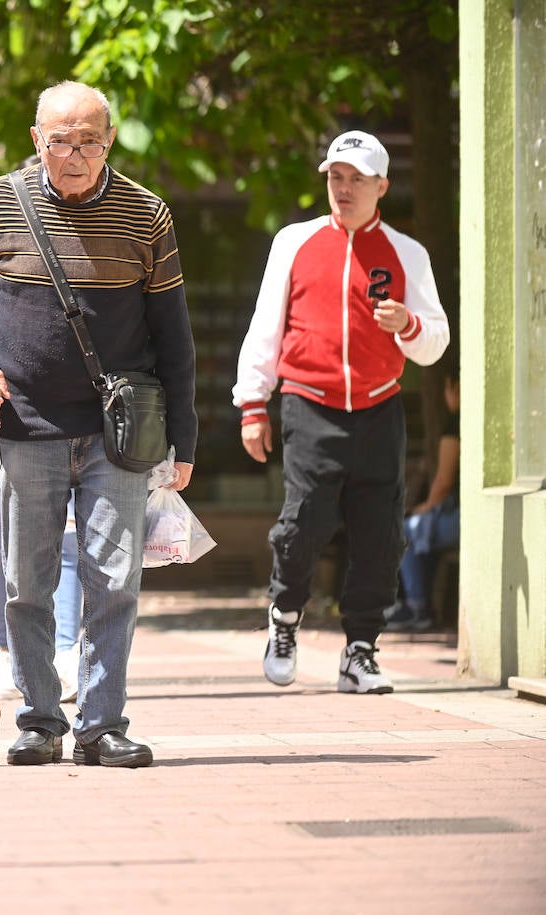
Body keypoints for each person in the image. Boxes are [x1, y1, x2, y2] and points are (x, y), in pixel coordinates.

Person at [0, 81, 197, 769]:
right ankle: (41, 718)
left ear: (109, 142)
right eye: (60, 141)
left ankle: (103, 723)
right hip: (26, 425)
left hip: (121, 435)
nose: (74, 155)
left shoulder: (147, 215)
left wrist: (186, 440)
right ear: (36, 139)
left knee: (115, 579)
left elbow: (175, 338)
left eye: (89, 141)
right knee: (26, 581)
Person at [232, 129, 450, 694]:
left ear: (382, 186)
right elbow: (265, 326)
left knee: (381, 533)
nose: (344, 188)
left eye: (356, 179)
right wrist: (252, 404)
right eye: (336, 177)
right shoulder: (294, 242)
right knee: (304, 520)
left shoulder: (408, 253)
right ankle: (284, 619)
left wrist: (408, 325)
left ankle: (360, 651)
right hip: (309, 401)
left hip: (381, 406)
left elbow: (436, 342)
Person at [0, 401, 83, 702]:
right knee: (1, 541)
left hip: (68, 418)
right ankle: (7, 652)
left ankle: (65, 653)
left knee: (68, 538)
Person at [386, 369, 460, 631]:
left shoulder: (456, 425)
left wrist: (425, 508)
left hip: (463, 519)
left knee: (409, 529)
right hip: (462, 515)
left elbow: (444, 481)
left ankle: (416, 607)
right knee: (421, 533)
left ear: (455, 388)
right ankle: (419, 604)